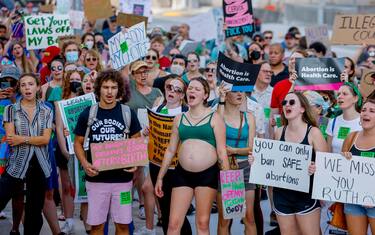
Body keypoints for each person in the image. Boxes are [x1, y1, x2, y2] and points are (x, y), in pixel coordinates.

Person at [155, 77, 230, 234]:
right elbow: (170, 150)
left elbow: (222, 151)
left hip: (207, 175)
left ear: (205, 95)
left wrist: (228, 183)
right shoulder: (179, 118)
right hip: (182, 174)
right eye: (190, 88)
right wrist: (160, 177)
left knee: (202, 223)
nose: (192, 91)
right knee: (173, 223)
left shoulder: (215, 118)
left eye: (197, 89)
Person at [74, 69, 142, 235]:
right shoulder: (88, 113)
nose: (110, 91)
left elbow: (137, 141)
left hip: (123, 182)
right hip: (97, 180)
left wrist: (135, 163)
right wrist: (84, 162)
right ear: (99, 89)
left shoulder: (127, 113)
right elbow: (78, 143)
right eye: (105, 87)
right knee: (96, 226)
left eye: (113, 87)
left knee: (124, 225)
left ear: (119, 89)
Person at [250, 92, 328, 235]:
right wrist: (257, 162)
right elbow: (272, 162)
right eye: (284, 103)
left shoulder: (314, 133)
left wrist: (315, 168)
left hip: (306, 195)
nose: (286, 105)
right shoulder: (279, 132)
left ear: (302, 109)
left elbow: (326, 166)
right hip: (282, 195)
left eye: (292, 102)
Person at [0, 73, 53, 234]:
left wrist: (22, 138)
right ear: (19, 89)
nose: (27, 88)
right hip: (17, 164)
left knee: (34, 212)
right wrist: (30, 139)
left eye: (30, 84)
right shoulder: (10, 109)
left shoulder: (46, 110)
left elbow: (45, 139)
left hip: (40, 165)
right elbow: (10, 139)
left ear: (37, 87)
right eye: (23, 85)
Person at [140, 77, 191, 235]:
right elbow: (149, 138)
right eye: (169, 87)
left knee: (177, 211)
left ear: (182, 95)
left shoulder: (186, 113)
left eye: (177, 90)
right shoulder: (157, 110)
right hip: (157, 166)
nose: (172, 91)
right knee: (164, 210)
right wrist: (146, 132)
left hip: (178, 168)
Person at [217, 86, 257, 235]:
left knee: (249, 217)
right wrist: (220, 100)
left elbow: (252, 147)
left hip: (245, 167)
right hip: (227, 169)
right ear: (226, 95)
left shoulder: (249, 117)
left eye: (242, 91)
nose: (240, 94)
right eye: (235, 91)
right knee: (225, 219)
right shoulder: (218, 115)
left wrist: (233, 151)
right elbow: (217, 128)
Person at [341, 94, 375, 235]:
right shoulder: (351, 137)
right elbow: (339, 169)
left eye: (372, 111)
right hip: (353, 200)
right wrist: (343, 159)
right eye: (363, 110)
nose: (365, 113)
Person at [326, 82, 362, 153]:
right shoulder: (333, 122)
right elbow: (328, 154)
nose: (339, 97)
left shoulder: (365, 122)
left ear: (355, 98)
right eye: (338, 94)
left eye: (345, 94)